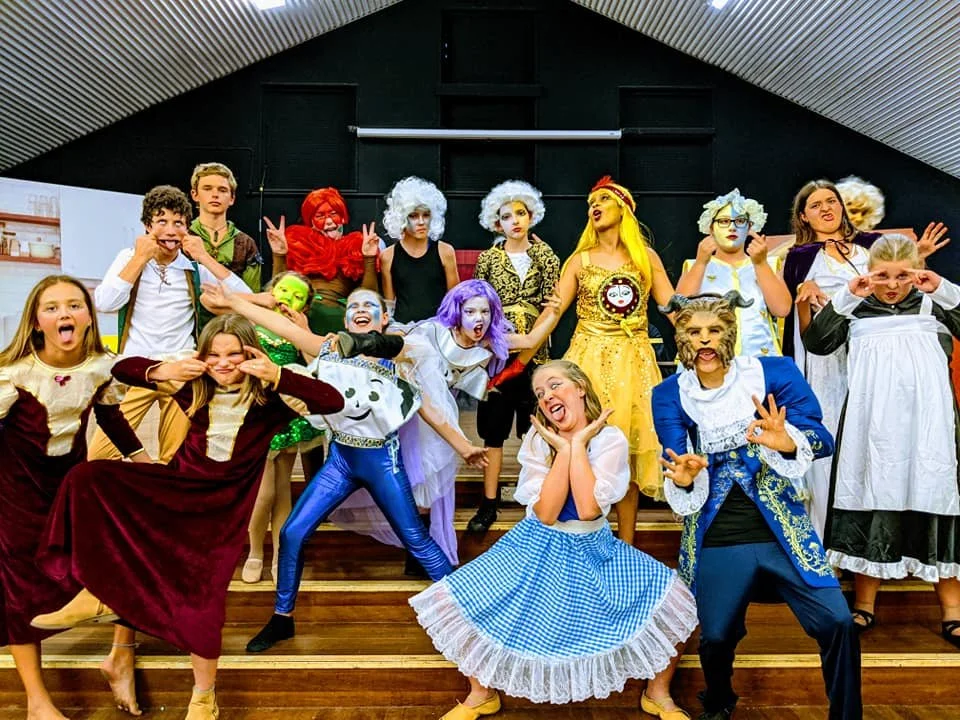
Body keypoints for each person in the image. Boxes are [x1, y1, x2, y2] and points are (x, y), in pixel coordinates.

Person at [32, 314, 344, 720]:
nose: (224, 363)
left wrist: (278, 373)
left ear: (251, 353)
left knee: (203, 597)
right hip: (176, 491)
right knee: (87, 477)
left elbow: (332, 401)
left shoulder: (272, 398)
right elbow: (119, 367)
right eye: (214, 355)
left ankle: (203, 697)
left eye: (234, 354)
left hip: (222, 513)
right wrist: (163, 369)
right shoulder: (193, 384)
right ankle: (93, 591)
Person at [198, 284, 483, 653]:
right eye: (352, 307)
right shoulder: (330, 349)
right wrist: (235, 302)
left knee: (416, 539)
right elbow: (283, 329)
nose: (359, 310)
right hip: (342, 460)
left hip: (382, 460)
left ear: (384, 318)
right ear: (345, 317)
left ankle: (470, 614)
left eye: (369, 306)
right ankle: (282, 618)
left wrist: (464, 446)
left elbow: (430, 409)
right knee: (292, 533)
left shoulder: (402, 353)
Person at [411, 360, 697, 720]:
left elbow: (590, 508)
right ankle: (480, 694)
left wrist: (577, 445)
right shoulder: (536, 440)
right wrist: (564, 449)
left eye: (555, 385)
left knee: (674, 597)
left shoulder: (609, 439)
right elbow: (546, 513)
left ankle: (658, 692)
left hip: (593, 546)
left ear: (580, 387)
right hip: (534, 543)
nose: (547, 396)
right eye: (540, 393)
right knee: (464, 597)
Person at [652, 292, 860, 720]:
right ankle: (720, 697)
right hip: (718, 534)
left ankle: (846, 715)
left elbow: (821, 438)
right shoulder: (669, 394)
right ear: (681, 337)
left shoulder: (773, 372)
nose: (705, 340)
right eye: (694, 332)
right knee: (715, 637)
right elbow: (677, 460)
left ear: (732, 332)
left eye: (715, 330)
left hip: (781, 530)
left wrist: (787, 442)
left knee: (838, 623)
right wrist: (686, 475)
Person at [0, 275, 147, 720]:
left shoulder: (102, 367)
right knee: (18, 586)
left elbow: (109, 414)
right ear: (36, 320)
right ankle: (37, 702)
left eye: (74, 305)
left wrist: (143, 461)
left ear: (88, 316)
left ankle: (121, 655)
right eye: (52, 307)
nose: (64, 314)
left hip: (70, 486)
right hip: (16, 492)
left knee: (124, 552)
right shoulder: (13, 374)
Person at [803, 234, 960, 645]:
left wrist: (939, 287)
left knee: (935, 505)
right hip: (872, 433)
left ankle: (952, 612)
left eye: (901, 275)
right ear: (870, 272)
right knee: (871, 504)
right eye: (883, 275)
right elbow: (817, 343)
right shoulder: (857, 309)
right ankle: (865, 605)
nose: (892, 284)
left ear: (915, 272)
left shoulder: (933, 305)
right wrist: (847, 298)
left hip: (930, 433)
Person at [502, 176, 675, 546]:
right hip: (588, 362)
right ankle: (573, 538)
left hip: (634, 362)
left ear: (623, 207)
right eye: (590, 203)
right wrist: (516, 362)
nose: (593, 207)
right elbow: (552, 313)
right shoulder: (579, 260)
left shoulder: (647, 258)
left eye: (602, 200)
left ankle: (625, 547)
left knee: (627, 453)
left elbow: (674, 310)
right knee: (579, 448)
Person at [782, 179, 948, 537]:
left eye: (832, 201)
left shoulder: (871, 245)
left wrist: (917, 256)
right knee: (828, 440)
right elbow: (796, 316)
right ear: (803, 217)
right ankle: (825, 541)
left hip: (875, 356)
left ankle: (873, 538)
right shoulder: (799, 257)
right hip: (827, 358)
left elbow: (896, 281)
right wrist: (803, 295)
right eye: (816, 205)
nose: (826, 208)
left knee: (873, 438)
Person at [88, 185, 251, 463]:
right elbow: (105, 302)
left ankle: (161, 495)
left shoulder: (192, 268)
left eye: (179, 223)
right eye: (162, 221)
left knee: (174, 457)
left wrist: (203, 257)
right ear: (147, 226)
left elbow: (243, 297)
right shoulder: (129, 258)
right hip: (137, 370)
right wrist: (141, 257)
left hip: (181, 371)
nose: (171, 230)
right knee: (101, 457)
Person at [467, 180, 560, 533]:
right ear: (496, 223)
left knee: (536, 429)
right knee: (493, 431)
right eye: (507, 216)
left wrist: (537, 335)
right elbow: (477, 303)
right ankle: (488, 503)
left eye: (520, 213)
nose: (515, 221)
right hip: (499, 355)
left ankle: (535, 499)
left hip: (536, 355)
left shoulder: (546, 257)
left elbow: (555, 304)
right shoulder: (489, 259)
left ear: (531, 216)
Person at [238, 271, 325, 584]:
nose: (288, 299)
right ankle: (254, 552)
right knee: (263, 493)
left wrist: (304, 332)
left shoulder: (298, 331)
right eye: (283, 291)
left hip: (288, 413)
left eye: (297, 296)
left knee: (284, 489)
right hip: (256, 414)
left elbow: (314, 365)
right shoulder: (250, 324)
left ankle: (280, 555)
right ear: (271, 291)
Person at [676, 188, 790, 357]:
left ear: (750, 226)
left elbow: (781, 309)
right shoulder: (694, 266)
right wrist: (701, 263)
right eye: (723, 221)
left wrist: (760, 264)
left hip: (758, 360)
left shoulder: (769, 265)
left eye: (740, 221)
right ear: (711, 228)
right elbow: (679, 311)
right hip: (707, 360)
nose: (732, 227)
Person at [265, 186, 380, 334]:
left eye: (334, 214)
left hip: (340, 317)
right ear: (311, 221)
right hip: (303, 313)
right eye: (320, 216)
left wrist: (369, 258)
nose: (329, 222)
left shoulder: (357, 245)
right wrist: (279, 254)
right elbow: (279, 290)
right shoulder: (299, 244)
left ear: (343, 217)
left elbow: (369, 297)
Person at [380, 176, 460, 324]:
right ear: (401, 218)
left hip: (439, 328)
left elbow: (454, 299)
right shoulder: (388, 256)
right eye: (413, 216)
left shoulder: (445, 251)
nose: (422, 221)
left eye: (426, 215)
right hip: (403, 329)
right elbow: (389, 304)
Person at [189, 162, 262, 292]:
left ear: (232, 198)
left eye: (222, 190)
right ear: (195, 194)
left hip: (234, 310)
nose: (215, 194)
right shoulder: (182, 237)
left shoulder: (245, 243)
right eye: (207, 188)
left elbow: (253, 294)